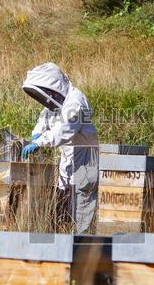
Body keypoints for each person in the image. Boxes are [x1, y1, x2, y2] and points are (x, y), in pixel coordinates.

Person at [20, 62, 99, 233]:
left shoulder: (75, 102)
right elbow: (45, 117)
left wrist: (39, 142)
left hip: (84, 161)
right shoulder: (59, 101)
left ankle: (82, 243)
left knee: (82, 206)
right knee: (64, 201)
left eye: (49, 93)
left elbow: (64, 129)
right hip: (68, 160)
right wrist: (37, 134)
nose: (47, 97)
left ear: (55, 87)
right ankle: (65, 238)